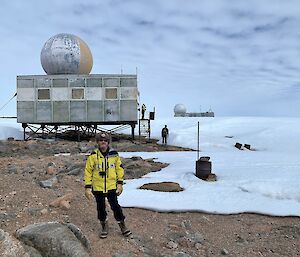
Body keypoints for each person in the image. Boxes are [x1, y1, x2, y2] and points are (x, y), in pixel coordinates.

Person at [84, 132, 131, 239]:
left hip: (111, 187)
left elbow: (119, 169)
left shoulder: (114, 154)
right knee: (100, 208)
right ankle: (104, 226)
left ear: (108, 142)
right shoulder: (93, 156)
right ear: (97, 142)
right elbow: (88, 171)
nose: (103, 142)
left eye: (105, 141)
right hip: (98, 187)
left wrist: (120, 184)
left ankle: (123, 226)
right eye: (101, 141)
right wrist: (87, 187)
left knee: (116, 207)